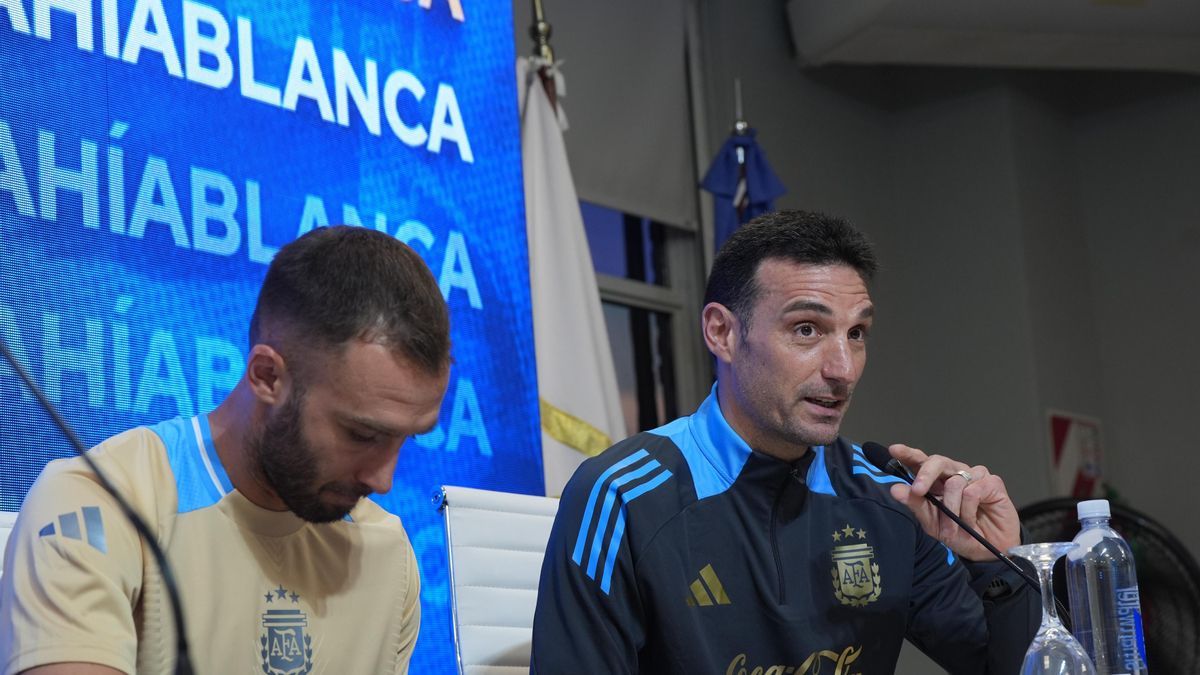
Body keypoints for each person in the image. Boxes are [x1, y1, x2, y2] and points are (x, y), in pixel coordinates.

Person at [531, 210, 1039, 674]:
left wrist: (997, 564)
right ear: (722, 333)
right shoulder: (623, 497)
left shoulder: (890, 498)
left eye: (856, 333)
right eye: (806, 329)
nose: (842, 369)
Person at [1, 226, 452, 675]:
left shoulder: (389, 554)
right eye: (362, 435)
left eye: (406, 438)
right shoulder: (94, 505)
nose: (383, 481)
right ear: (267, 376)